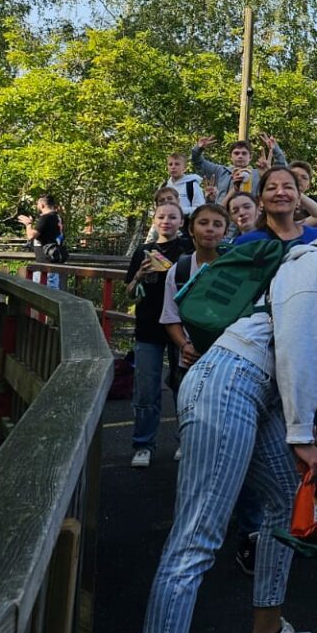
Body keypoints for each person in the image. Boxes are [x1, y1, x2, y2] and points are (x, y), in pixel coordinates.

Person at [141, 177, 317, 633]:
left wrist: (295, 430)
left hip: (256, 391)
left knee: (280, 499)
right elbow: (299, 346)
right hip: (228, 381)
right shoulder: (316, 264)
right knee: (197, 536)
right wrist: (300, 434)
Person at [125, 201, 194, 468]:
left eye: (173, 217)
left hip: (181, 326)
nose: (166, 221)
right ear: (154, 220)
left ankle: (185, 441)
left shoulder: (188, 249)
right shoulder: (143, 251)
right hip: (148, 327)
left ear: (181, 221)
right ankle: (143, 444)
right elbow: (129, 291)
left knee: (184, 387)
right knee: (145, 389)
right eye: (161, 216)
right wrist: (140, 275)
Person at [160, 203, 231, 366]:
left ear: (225, 232)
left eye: (217, 224)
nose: (210, 229)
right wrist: (184, 345)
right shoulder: (179, 271)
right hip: (191, 360)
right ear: (191, 229)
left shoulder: (235, 269)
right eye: (203, 223)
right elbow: (170, 317)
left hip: (227, 359)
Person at [234, 166, 317, 246]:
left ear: (299, 197)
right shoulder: (244, 243)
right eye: (271, 188)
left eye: (288, 187)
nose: (280, 193)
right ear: (260, 200)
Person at [192, 136, 262, 201]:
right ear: (230, 157)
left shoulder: (258, 174)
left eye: (244, 153)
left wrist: (273, 149)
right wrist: (198, 148)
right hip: (222, 213)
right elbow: (198, 162)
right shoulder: (220, 171)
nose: (240, 156)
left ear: (250, 157)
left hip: (249, 213)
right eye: (236, 153)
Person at [19, 193, 65, 288]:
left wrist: (28, 225)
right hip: (52, 259)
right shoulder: (57, 217)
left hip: (45, 263)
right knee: (52, 289)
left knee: (44, 291)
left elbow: (31, 235)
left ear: (42, 205)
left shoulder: (46, 218)